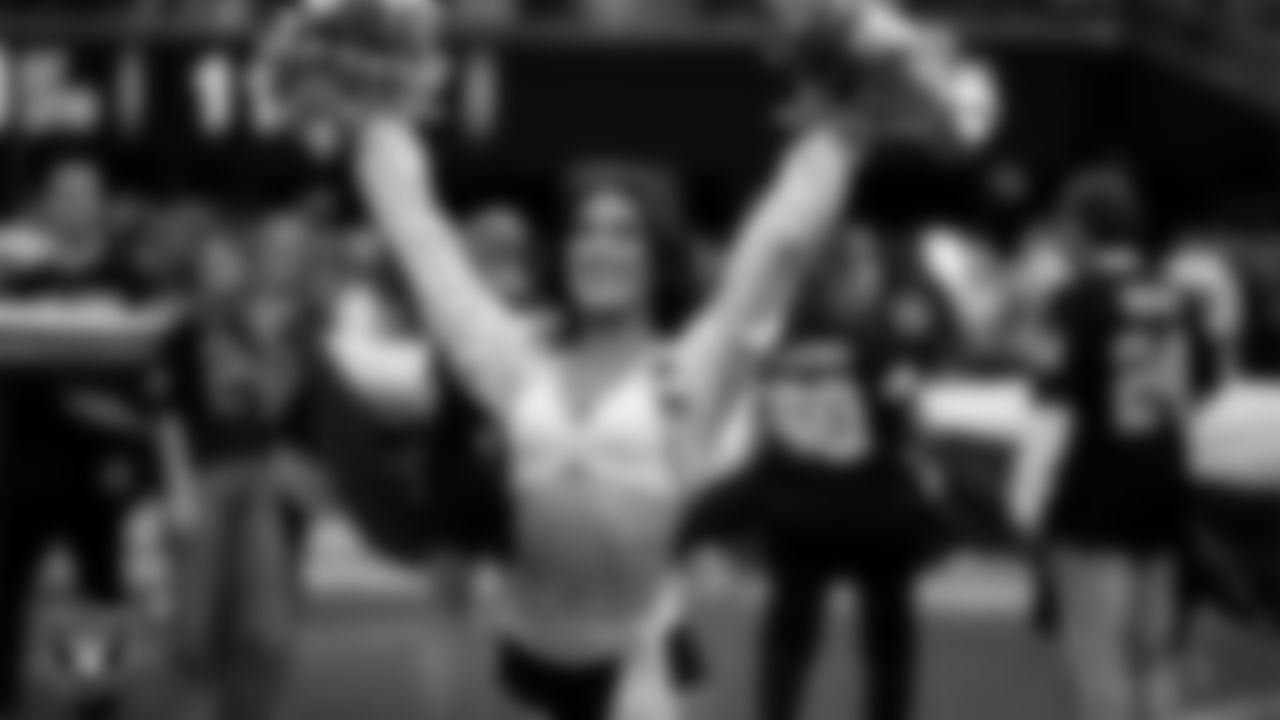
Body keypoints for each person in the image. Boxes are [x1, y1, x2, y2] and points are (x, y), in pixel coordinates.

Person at [272, 0, 995, 717]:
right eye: (586, 231)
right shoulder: (519, 362)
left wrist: (844, 128)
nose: (601, 247)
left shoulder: (693, 372)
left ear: (659, 257)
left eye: (625, 233)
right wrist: (374, 114)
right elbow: (419, 236)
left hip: (638, 666)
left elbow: (782, 239)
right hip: (529, 661)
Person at [1009, 168, 1223, 720]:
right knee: (1155, 652)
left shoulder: (1076, 301)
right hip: (1164, 481)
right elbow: (1204, 382)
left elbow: (1051, 405)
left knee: (1096, 650)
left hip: (1095, 488)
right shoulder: (1180, 297)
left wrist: (1026, 502)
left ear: (1083, 228)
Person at [747, 228, 951, 720]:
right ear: (855, 273)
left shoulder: (786, 336)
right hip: (874, 504)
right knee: (888, 638)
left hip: (802, 504)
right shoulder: (881, 337)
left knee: (790, 631)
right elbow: (907, 417)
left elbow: (764, 424)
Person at [0, 160, 155, 720]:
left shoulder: (132, 284)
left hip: (100, 468)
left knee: (98, 591)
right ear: (47, 207)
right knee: (5, 587)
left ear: (101, 205)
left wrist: (130, 444)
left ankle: (93, 705)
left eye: (85, 195)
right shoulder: (22, 286)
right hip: (23, 464)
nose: (73, 205)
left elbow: (156, 384)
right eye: (63, 195)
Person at [161, 213, 322, 720]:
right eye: (272, 247)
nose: (224, 273)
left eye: (295, 250)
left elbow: (300, 413)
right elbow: (167, 411)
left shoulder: (301, 327)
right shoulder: (193, 327)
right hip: (207, 476)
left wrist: (307, 474)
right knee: (197, 623)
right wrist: (179, 486)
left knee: (266, 628)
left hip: (266, 482)